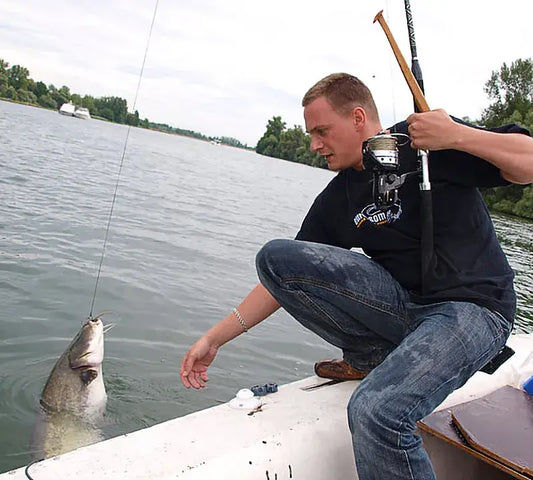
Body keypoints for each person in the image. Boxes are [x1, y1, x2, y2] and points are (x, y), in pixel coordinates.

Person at [180, 73, 533, 479]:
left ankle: (383, 371)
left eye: (322, 131)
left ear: (358, 117)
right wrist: (215, 338)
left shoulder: (427, 144)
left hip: (474, 309)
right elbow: (281, 284)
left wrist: (457, 135)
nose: (314, 145)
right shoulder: (340, 196)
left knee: (376, 412)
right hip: (407, 311)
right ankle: (374, 356)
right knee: (278, 258)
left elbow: (527, 164)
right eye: (311, 134)